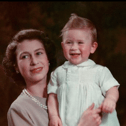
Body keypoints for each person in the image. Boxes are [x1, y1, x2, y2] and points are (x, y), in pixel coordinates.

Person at [2, 29, 102, 126]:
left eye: (39, 53)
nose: (34, 61)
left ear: (47, 58)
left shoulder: (67, 92)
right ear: (16, 67)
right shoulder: (19, 109)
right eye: (25, 56)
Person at [47, 14, 120, 126]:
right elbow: (52, 97)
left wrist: (110, 99)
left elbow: (112, 88)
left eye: (80, 42)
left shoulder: (99, 71)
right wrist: (54, 116)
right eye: (69, 42)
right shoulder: (58, 73)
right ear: (62, 46)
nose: (74, 47)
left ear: (93, 47)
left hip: (96, 122)